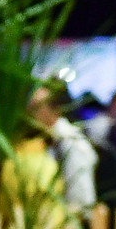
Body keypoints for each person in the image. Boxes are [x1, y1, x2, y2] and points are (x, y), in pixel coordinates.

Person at [29, 79, 96, 211]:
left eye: (37, 106)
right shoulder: (40, 139)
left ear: (55, 110)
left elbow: (80, 198)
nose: (30, 111)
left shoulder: (70, 142)